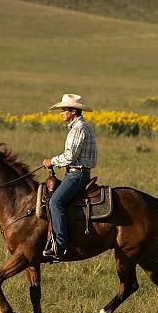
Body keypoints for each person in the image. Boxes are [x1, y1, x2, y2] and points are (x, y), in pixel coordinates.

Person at [42, 93, 97, 260]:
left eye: (64, 110)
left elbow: (70, 156)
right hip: (76, 173)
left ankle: (59, 245)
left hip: (77, 175)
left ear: (73, 111)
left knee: (55, 202)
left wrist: (52, 161)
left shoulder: (78, 128)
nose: (61, 113)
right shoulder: (80, 126)